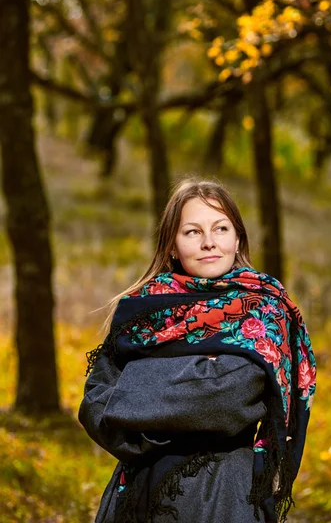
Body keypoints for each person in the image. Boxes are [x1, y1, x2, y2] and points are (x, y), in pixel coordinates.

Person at [79, 178, 316, 523]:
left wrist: (134, 391)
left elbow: (224, 398)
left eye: (220, 228)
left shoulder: (262, 310)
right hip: (133, 495)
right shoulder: (143, 310)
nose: (209, 243)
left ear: (237, 239)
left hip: (221, 495)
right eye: (192, 232)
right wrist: (194, 378)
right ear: (172, 246)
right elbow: (96, 404)